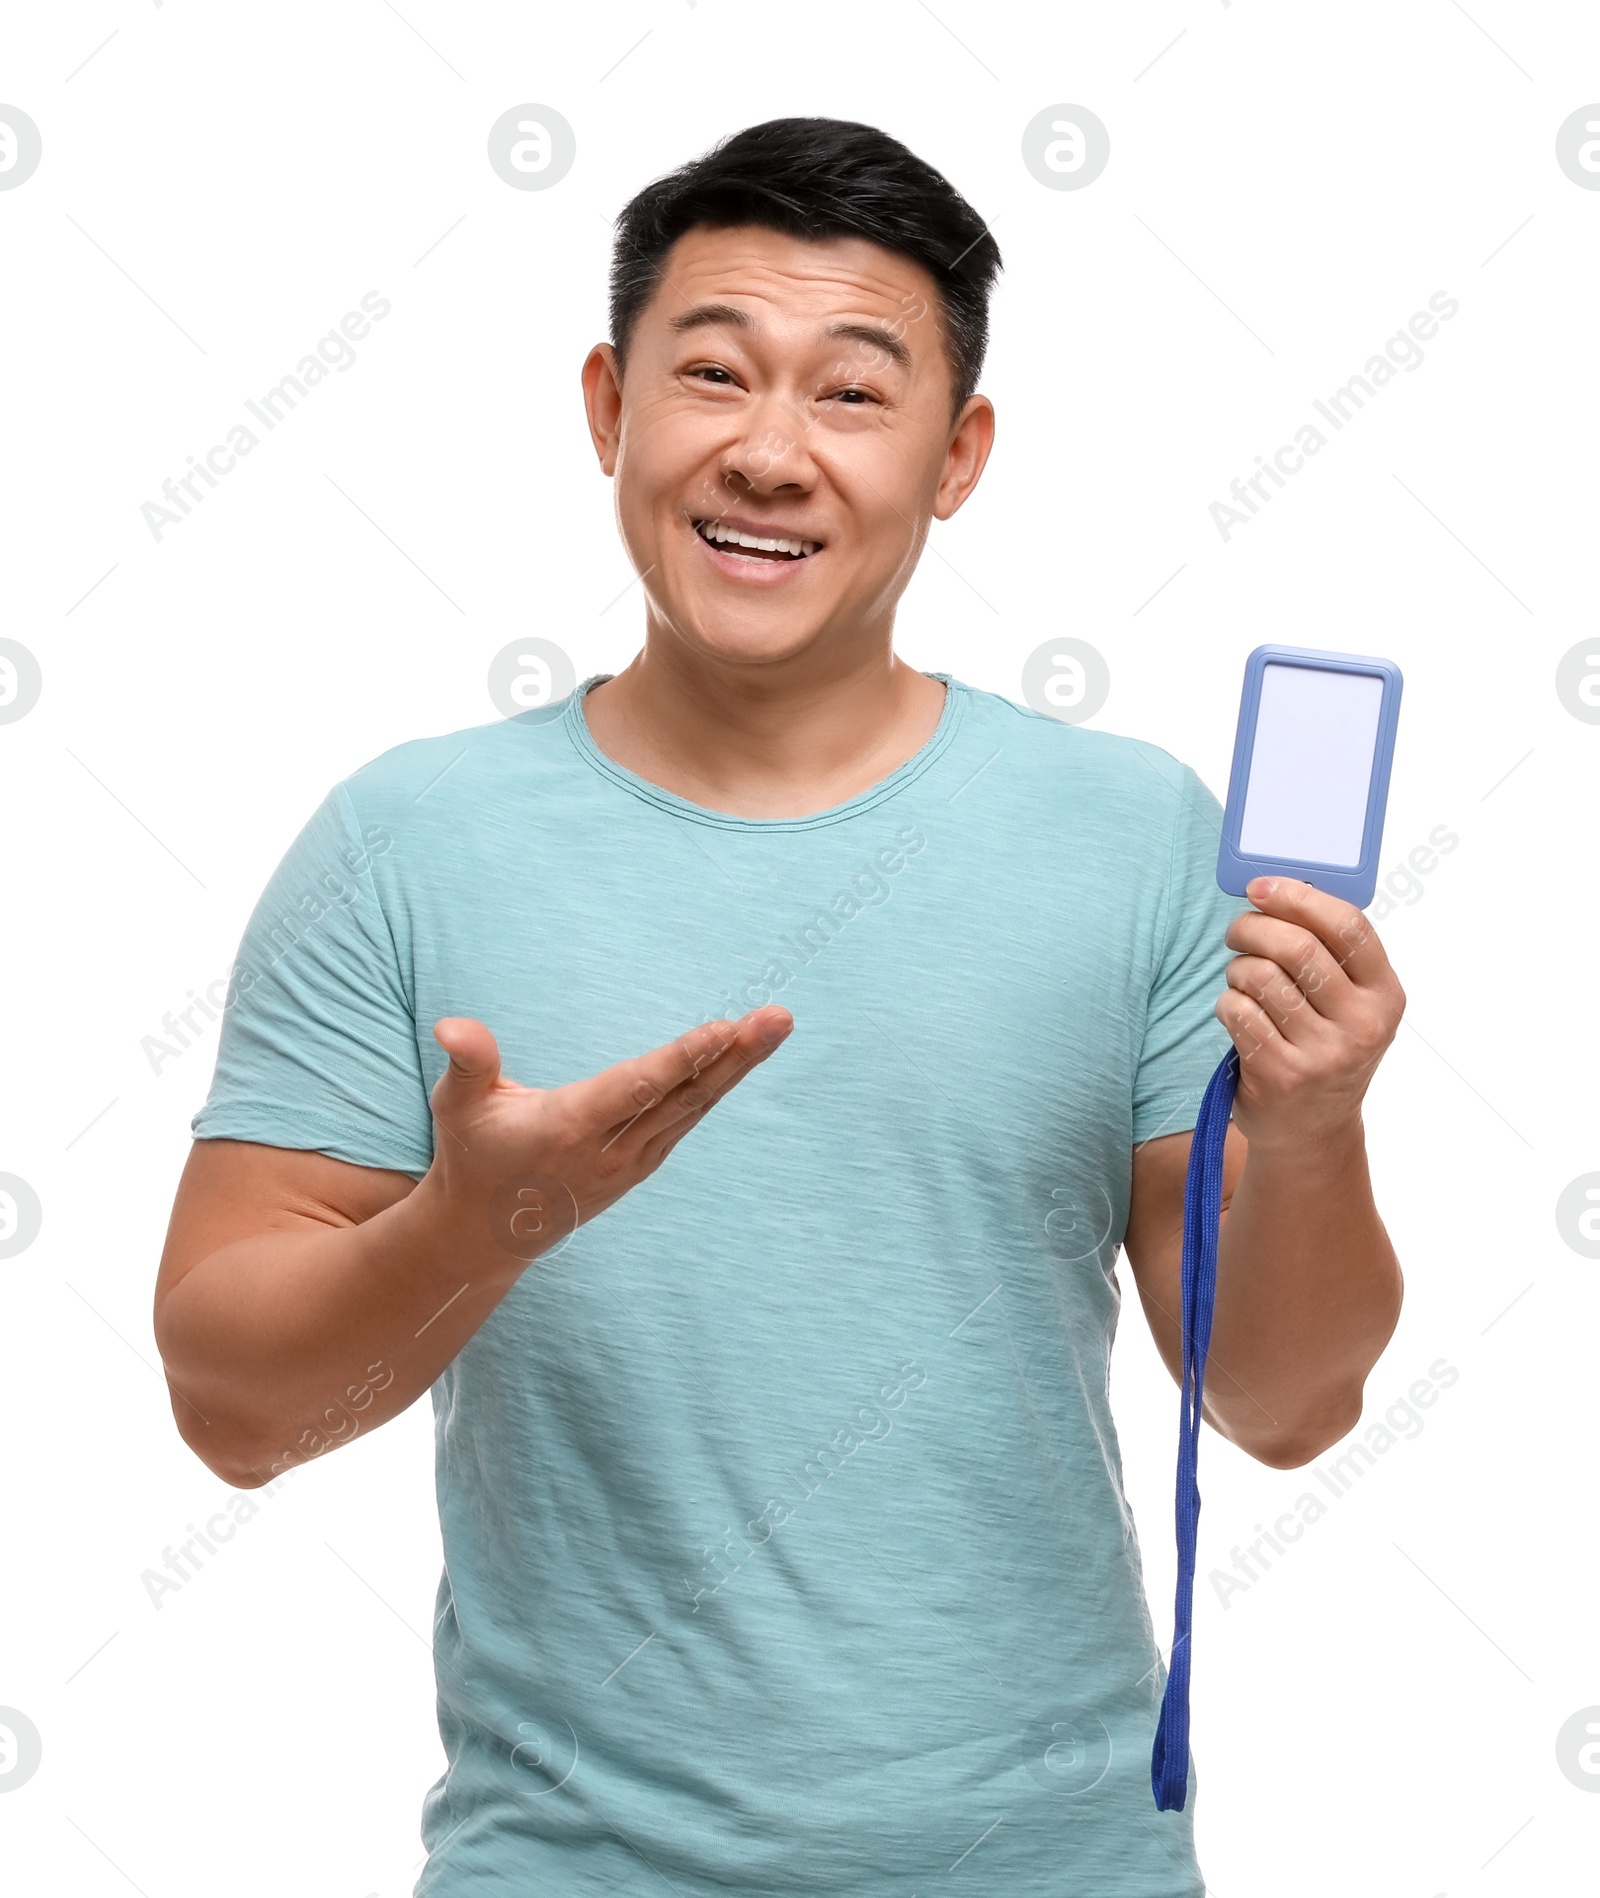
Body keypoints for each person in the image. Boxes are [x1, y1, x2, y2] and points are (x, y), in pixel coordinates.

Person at [153, 117, 1405, 1897]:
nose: (767, 453)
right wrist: (472, 1228)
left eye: (852, 394)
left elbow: (1282, 1403)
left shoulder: (1138, 839)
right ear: (609, 409)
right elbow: (233, 1410)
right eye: (715, 374)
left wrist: (1312, 1124)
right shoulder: (400, 845)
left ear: (958, 454)